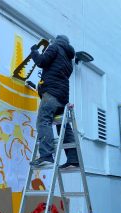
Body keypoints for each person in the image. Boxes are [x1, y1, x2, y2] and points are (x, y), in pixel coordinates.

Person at [29, 35, 79, 169]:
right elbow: (56, 73)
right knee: (63, 126)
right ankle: (73, 159)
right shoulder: (69, 59)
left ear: (56, 40)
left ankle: (46, 156)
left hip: (51, 94)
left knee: (43, 121)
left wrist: (34, 51)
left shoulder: (55, 47)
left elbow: (41, 61)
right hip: (62, 98)